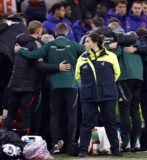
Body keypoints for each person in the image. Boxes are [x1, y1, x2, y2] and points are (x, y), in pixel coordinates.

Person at [14, 23, 85, 154]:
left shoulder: (48, 46)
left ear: (55, 33)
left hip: (55, 86)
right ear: (67, 32)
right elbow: (89, 52)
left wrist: (21, 50)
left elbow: (33, 55)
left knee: (54, 115)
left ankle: (55, 144)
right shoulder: (74, 45)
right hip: (71, 86)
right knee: (72, 116)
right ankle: (71, 144)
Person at [4, 20, 70, 134]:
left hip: (14, 85)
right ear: (39, 31)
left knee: (11, 114)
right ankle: (24, 144)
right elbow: (40, 65)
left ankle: (5, 141)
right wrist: (58, 67)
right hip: (29, 88)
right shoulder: (36, 44)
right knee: (26, 115)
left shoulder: (18, 43)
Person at [75, 32, 122, 157]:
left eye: (87, 41)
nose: (85, 44)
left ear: (95, 42)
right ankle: (83, 150)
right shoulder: (82, 58)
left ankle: (116, 149)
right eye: (85, 42)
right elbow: (77, 77)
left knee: (110, 122)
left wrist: (106, 86)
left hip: (107, 95)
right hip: (88, 95)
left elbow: (117, 73)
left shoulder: (111, 56)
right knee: (86, 123)